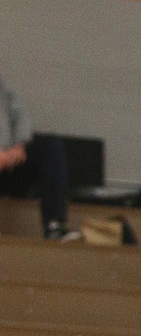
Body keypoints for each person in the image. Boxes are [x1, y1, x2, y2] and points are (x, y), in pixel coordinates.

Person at [0, 74, 77, 241]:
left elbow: (21, 114)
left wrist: (19, 145)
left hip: (9, 164)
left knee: (49, 144)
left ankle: (54, 226)